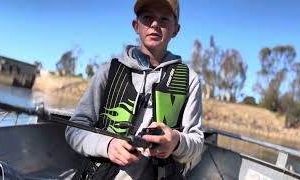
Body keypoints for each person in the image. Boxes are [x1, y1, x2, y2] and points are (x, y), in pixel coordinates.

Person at [65, 0, 204, 179]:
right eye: (147, 18)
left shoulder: (190, 80)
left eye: (164, 19)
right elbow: (74, 130)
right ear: (136, 25)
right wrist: (107, 145)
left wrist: (176, 141)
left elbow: (197, 144)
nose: (155, 24)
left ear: (176, 30)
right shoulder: (108, 71)